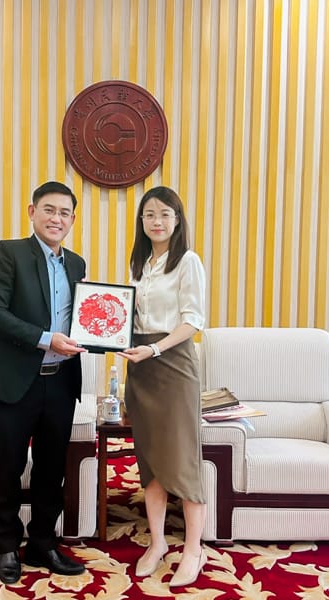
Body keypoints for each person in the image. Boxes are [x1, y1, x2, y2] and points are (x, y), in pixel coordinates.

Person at [0, 181, 87, 585]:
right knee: (8, 465)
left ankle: (43, 543)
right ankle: (7, 545)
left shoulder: (77, 264)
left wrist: (99, 335)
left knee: (51, 469)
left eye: (64, 213)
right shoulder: (9, 253)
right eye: (49, 210)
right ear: (32, 212)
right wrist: (45, 339)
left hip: (60, 383)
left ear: (72, 220)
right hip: (14, 381)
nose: (57, 219)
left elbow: (82, 317)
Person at [118, 186, 208, 588]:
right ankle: (157, 543)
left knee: (182, 459)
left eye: (165, 214)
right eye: (150, 214)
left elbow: (193, 321)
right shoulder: (140, 264)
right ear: (142, 221)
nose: (157, 221)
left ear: (177, 220)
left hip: (172, 365)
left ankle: (193, 550)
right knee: (151, 460)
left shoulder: (187, 261)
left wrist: (154, 349)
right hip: (141, 367)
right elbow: (129, 317)